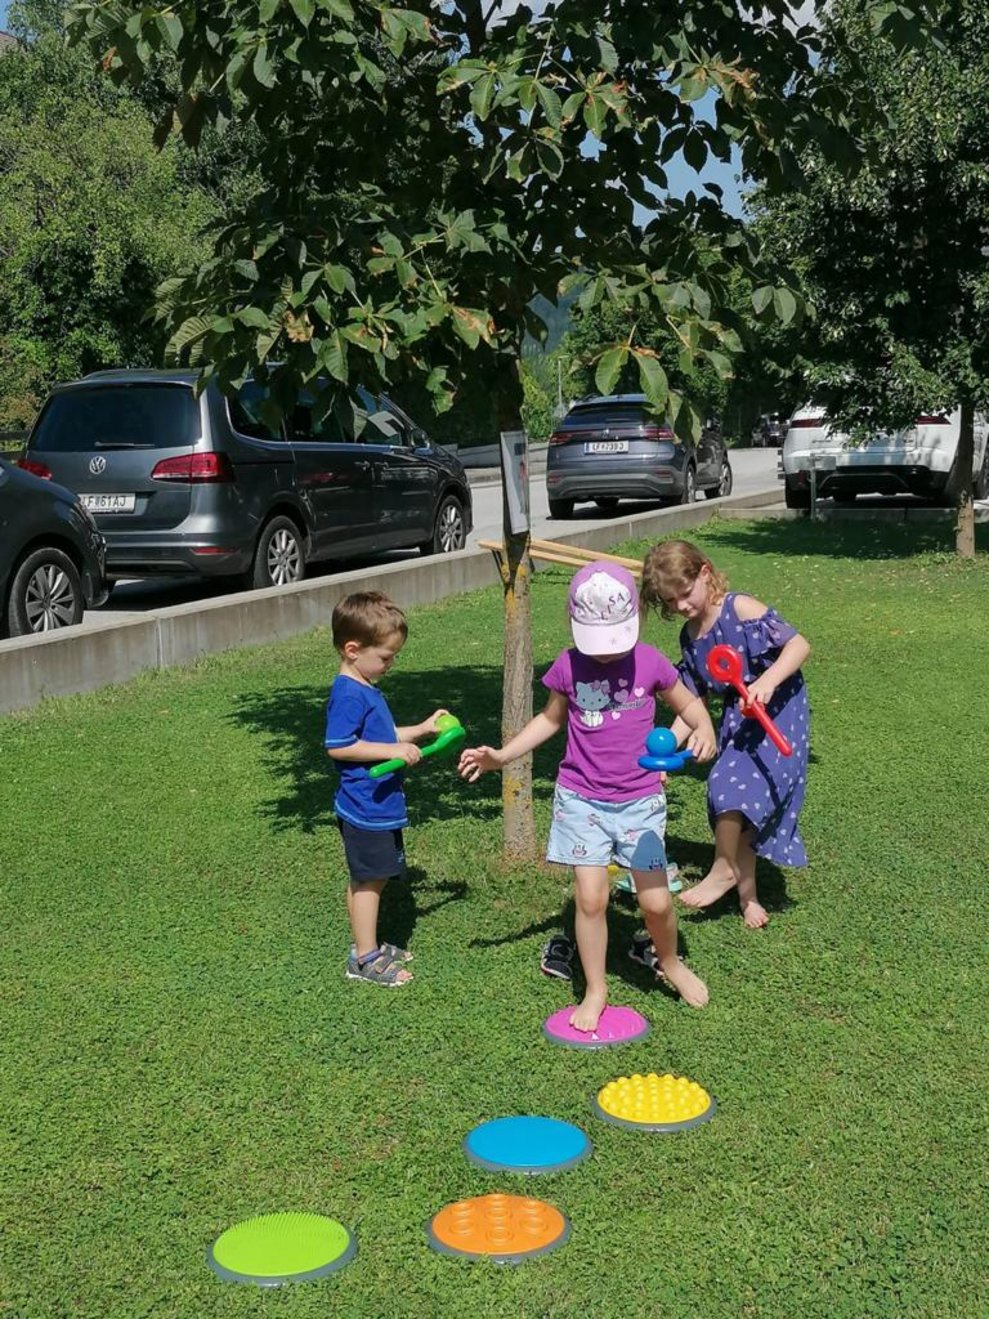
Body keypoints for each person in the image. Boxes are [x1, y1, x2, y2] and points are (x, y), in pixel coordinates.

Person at [459, 561, 717, 1031]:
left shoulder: (651, 662)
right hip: (582, 800)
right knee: (592, 899)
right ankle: (596, 988)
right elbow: (550, 720)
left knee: (657, 903)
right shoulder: (568, 665)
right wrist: (502, 756)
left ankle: (672, 963)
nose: (604, 655)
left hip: (640, 801)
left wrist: (704, 730)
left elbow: (692, 706)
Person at [640, 539, 811, 929]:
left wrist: (765, 683)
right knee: (733, 798)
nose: (680, 606)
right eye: (669, 602)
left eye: (684, 594)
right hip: (742, 716)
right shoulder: (691, 637)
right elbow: (693, 701)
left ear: (704, 572)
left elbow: (799, 646)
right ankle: (746, 896)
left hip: (780, 713)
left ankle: (723, 870)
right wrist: (667, 747)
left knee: (736, 792)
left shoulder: (741, 608)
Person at [324, 591, 448, 987]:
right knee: (370, 880)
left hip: (377, 803)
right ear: (353, 649)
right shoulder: (348, 694)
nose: (390, 664)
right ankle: (364, 958)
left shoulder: (364, 686)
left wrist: (422, 729)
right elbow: (339, 745)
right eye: (386, 657)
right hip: (365, 805)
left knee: (369, 878)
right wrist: (392, 750)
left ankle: (368, 943)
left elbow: (382, 734)